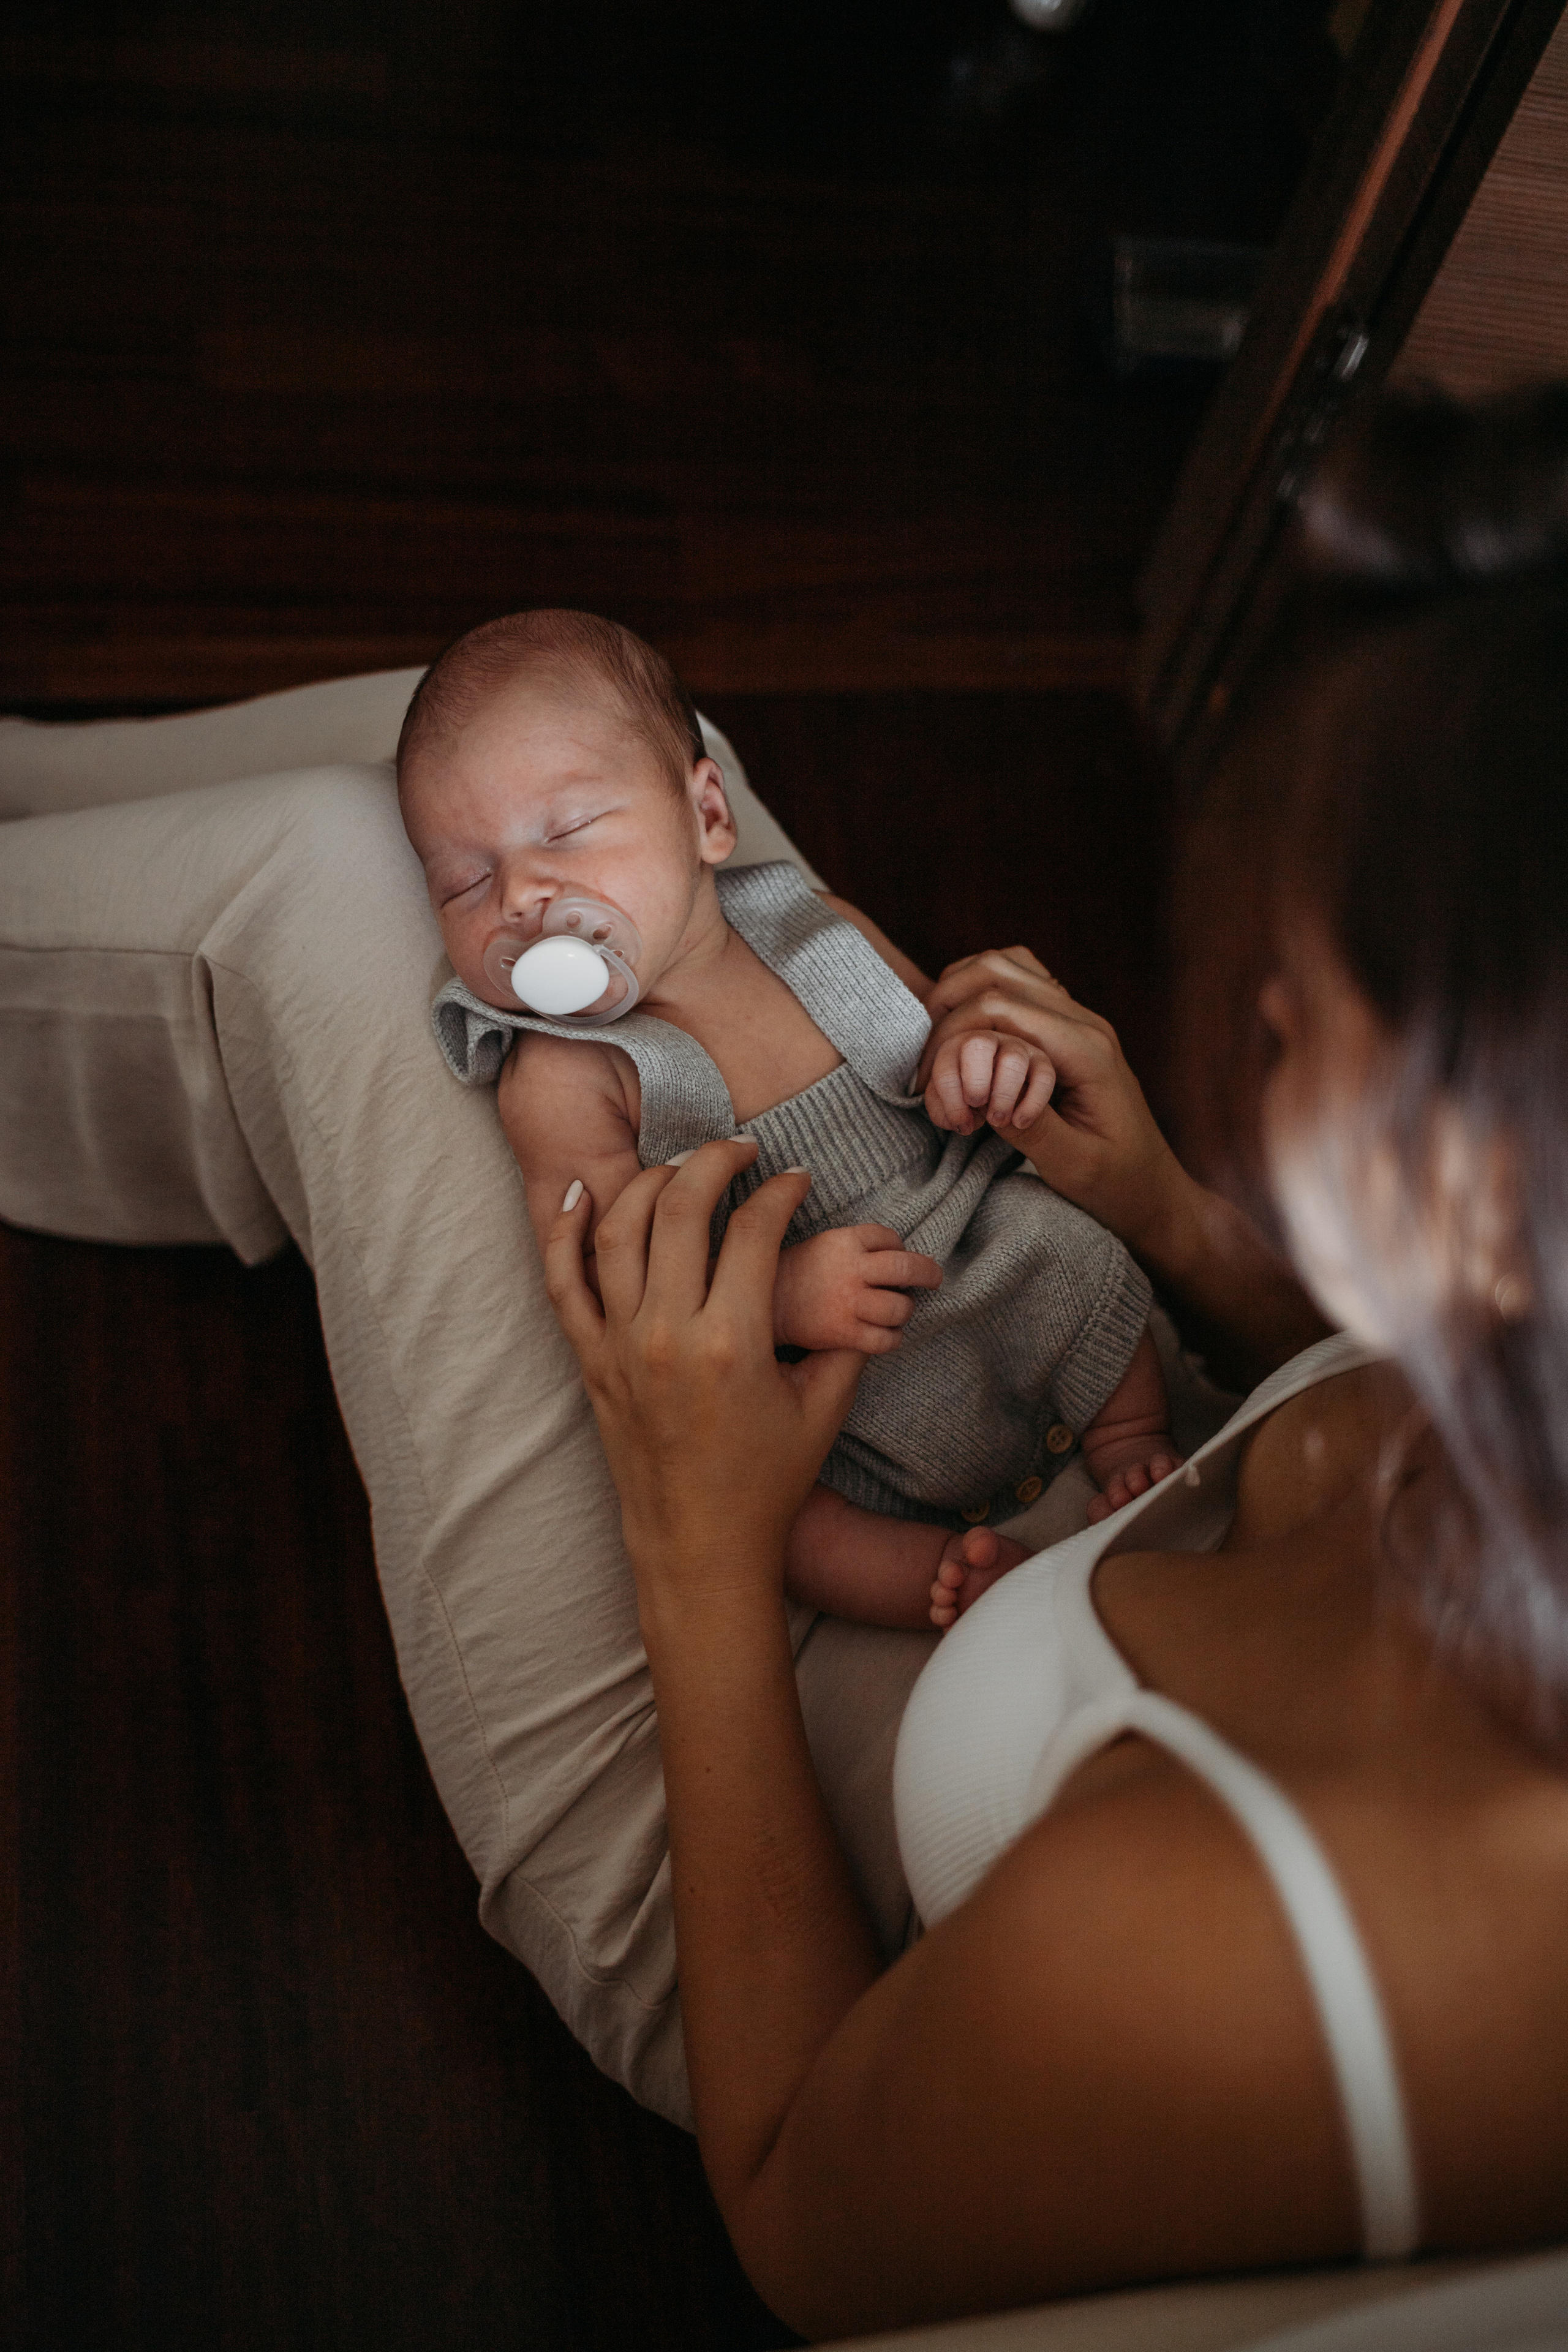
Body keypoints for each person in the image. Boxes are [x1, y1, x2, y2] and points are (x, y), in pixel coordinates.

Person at [536, 386, 1568, 2337]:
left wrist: (694, 1545)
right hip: (1008, 1512)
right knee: (546, 776)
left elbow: (795, 2209)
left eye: (1308, 992)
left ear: (1487, 1191)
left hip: (788, 1825)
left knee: (363, 885)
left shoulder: (1172, 1947)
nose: (1261, 1005)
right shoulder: (1503, 1374)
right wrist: (1174, 1213)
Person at [398, 608, 1181, 1632]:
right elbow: (616, 1289)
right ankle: (941, 1578)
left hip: (968, 1239)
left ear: (707, 815)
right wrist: (775, 1301)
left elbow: (929, 1034)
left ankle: (1132, 1443)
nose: (522, 895)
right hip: (806, 1374)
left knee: (1072, 1248)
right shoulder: (568, 1077)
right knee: (784, 1522)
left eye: (567, 831)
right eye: (465, 881)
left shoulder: (816, 928)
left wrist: (973, 1067)